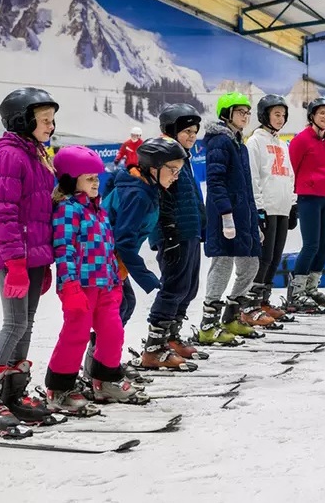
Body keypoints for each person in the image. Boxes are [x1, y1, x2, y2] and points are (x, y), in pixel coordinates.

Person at [0, 88, 60, 437]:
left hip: (33, 255)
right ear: (23, 120)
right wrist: (16, 262)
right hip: (13, 255)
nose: (51, 126)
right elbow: (4, 213)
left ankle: (12, 394)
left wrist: (42, 262)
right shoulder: (9, 156)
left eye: (51, 120)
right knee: (14, 324)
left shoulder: (36, 154)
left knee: (27, 323)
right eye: (44, 120)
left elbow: (41, 212)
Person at [45, 146, 149, 413]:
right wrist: (69, 286)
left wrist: (115, 281)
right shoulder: (68, 210)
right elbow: (64, 248)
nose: (95, 182)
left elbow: (107, 247)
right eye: (89, 178)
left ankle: (105, 380)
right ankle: (60, 386)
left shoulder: (98, 210)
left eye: (96, 177)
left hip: (105, 285)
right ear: (71, 180)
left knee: (113, 332)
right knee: (76, 334)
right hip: (79, 287)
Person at [102, 137, 196, 371]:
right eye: (172, 170)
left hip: (112, 257)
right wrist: (145, 276)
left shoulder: (146, 187)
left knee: (122, 306)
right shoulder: (138, 194)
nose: (176, 175)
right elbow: (122, 240)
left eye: (179, 170)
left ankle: (103, 366)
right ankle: (101, 369)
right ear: (154, 168)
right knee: (117, 309)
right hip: (103, 257)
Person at [201, 92, 271, 341]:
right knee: (222, 264)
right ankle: (208, 325)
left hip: (243, 214)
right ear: (227, 114)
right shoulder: (220, 142)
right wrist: (226, 215)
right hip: (225, 215)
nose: (246, 116)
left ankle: (231, 315)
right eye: (240, 112)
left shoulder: (238, 143)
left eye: (247, 112)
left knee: (251, 263)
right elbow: (216, 182)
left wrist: (253, 220)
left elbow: (246, 186)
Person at [146, 103, 215, 354]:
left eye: (195, 131)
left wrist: (203, 226)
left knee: (188, 287)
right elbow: (161, 199)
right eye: (187, 131)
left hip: (189, 231)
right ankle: (155, 345)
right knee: (173, 286)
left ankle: (172, 337)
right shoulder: (162, 157)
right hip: (173, 233)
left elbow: (193, 197)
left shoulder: (183, 158)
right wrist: (169, 233)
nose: (192, 136)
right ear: (171, 130)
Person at [246, 94, 298, 322]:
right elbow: (253, 176)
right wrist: (258, 209)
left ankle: (264, 301)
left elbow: (289, 175)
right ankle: (250, 304)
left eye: (283, 115)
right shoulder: (255, 142)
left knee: (275, 257)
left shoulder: (283, 144)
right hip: (266, 207)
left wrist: (293, 204)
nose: (281, 118)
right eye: (276, 114)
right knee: (263, 258)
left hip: (282, 208)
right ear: (264, 115)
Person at [285, 97, 325, 312]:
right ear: (312, 117)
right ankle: (296, 292)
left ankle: (311, 287)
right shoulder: (301, 140)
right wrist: (292, 202)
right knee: (311, 245)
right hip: (307, 198)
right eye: (322, 113)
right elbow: (291, 171)